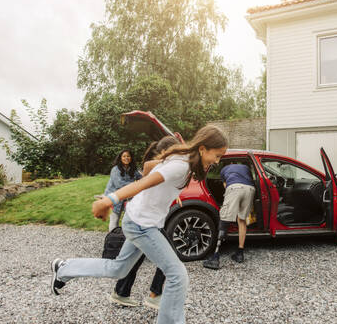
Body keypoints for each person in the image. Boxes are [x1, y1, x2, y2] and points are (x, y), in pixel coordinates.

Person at [50, 125, 228, 324]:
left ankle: (64, 268)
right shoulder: (181, 164)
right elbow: (143, 183)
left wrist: (170, 195)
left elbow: (151, 167)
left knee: (119, 269)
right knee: (178, 275)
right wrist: (108, 200)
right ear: (203, 149)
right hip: (142, 225)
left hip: (137, 219)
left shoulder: (182, 157)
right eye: (217, 155)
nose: (217, 161)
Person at [110, 136, 180, 309]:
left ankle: (121, 292)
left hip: (144, 219)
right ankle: (155, 294)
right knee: (169, 254)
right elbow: (148, 176)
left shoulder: (162, 164)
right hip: (144, 220)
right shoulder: (156, 164)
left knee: (136, 258)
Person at [203, 163, 255, 270]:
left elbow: (226, 186)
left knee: (224, 218)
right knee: (242, 220)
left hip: (234, 187)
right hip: (250, 189)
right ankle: (240, 253)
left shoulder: (224, 169)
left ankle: (215, 257)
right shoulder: (246, 167)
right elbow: (251, 179)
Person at [105, 149, 142, 232]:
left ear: (131, 158)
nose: (126, 158)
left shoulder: (133, 169)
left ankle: (123, 238)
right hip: (114, 196)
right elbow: (119, 184)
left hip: (127, 197)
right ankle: (112, 239)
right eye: (124, 156)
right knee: (115, 220)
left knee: (128, 219)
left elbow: (142, 178)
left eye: (128, 156)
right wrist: (135, 185)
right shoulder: (115, 169)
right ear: (120, 158)